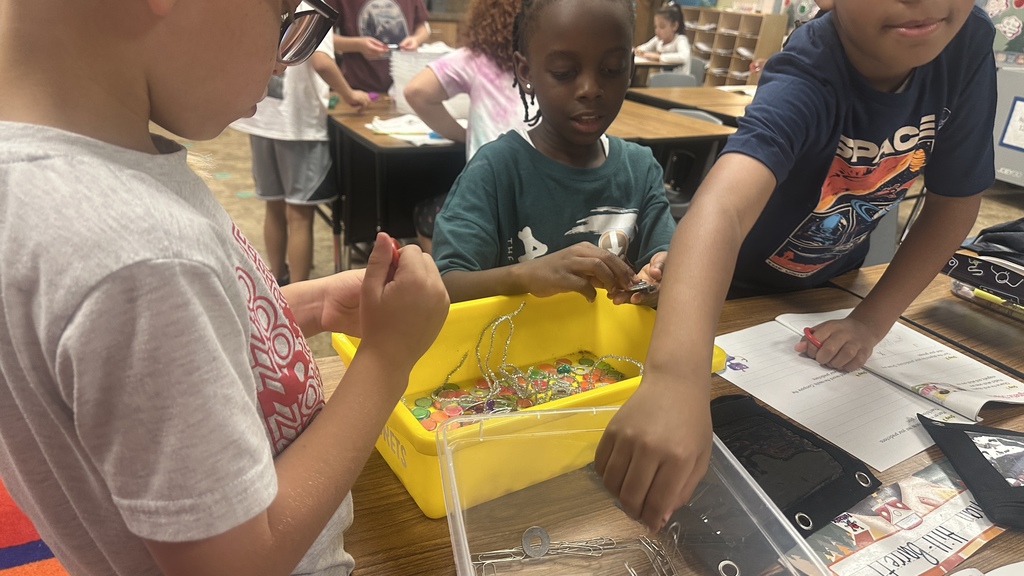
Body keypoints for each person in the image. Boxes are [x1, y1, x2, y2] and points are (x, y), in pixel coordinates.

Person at [0, 1, 449, 575]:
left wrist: (308, 305)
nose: (284, 60)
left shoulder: (65, 185)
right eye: (283, 12)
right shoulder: (139, 254)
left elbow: (152, 365)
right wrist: (389, 357)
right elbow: (237, 563)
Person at [595, 0, 996, 531]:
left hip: (827, 288)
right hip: (735, 291)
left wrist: (870, 322)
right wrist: (674, 377)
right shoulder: (810, 68)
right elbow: (722, 207)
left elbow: (955, 201)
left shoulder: (965, 39)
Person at [429, 0, 676, 306]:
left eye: (612, 69)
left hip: (613, 351)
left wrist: (663, 277)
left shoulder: (640, 170)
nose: (590, 88)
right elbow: (444, 285)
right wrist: (525, 275)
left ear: (630, 70)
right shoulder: (495, 169)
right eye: (564, 72)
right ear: (525, 70)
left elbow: (667, 263)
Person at [232, 28, 371, 285]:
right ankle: (298, 294)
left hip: (263, 119)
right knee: (299, 215)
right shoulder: (314, 5)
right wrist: (349, 94)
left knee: (273, 207)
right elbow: (321, 61)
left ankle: (278, 280)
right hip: (297, 124)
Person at [402, 0, 524, 254]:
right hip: (546, 188)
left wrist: (461, 134)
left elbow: (416, 91)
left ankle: (445, 285)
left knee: (427, 216)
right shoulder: (550, 63)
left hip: (489, 194)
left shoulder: (475, 59)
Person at [333, 0, 431, 94]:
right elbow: (324, 39)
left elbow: (423, 27)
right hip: (358, 88)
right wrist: (357, 45)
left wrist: (416, 40)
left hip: (403, 87)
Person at [634, 4, 692, 76]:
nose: (657, 31)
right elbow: (645, 47)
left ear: (674, 26)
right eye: (655, 27)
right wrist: (639, 50)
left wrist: (659, 57)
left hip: (680, 82)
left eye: (662, 27)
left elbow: (683, 57)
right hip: (665, 80)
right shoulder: (658, 40)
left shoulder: (680, 40)